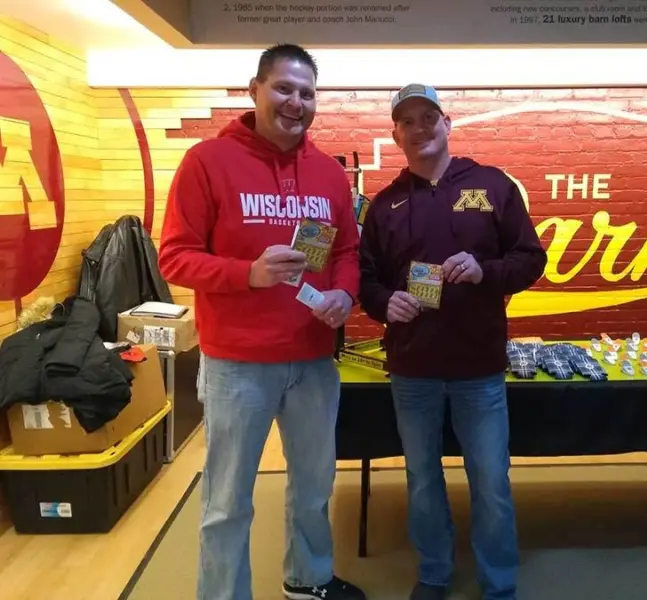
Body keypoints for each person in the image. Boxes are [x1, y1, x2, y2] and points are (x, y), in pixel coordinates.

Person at [158, 44, 367, 600]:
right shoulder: (207, 162)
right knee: (227, 500)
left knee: (315, 487)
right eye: (283, 88)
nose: (295, 102)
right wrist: (247, 273)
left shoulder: (326, 173)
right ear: (255, 89)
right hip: (237, 365)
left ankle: (309, 580)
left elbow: (346, 251)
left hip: (313, 359)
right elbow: (174, 257)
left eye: (306, 93)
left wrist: (345, 294)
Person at [358, 84, 548, 600]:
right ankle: (435, 573)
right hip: (412, 370)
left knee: (490, 482)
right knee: (422, 480)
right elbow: (367, 278)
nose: (420, 128)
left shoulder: (490, 185)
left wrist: (485, 271)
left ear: (448, 123)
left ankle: (499, 583)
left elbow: (532, 259)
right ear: (395, 134)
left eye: (428, 117)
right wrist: (383, 304)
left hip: (478, 368)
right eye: (408, 122)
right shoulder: (385, 204)